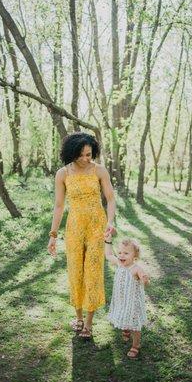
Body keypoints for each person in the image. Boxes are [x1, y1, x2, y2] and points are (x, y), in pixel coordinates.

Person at [48, 132, 116, 339]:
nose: (87, 158)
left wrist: (110, 222)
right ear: (72, 153)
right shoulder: (63, 174)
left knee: (93, 272)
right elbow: (59, 206)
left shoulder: (99, 170)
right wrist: (53, 235)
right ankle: (77, 317)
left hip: (97, 226)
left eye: (90, 154)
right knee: (76, 270)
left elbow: (111, 199)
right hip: (75, 227)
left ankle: (88, 323)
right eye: (83, 155)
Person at [104, 232, 150, 359]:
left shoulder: (136, 269)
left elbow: (144, 280)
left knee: (135, 324)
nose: (121, 255)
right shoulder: (119, 263)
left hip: (133, 303)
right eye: (120, 253)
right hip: (121, 300)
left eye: (126, 253)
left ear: (134, 256)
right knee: (123, 314)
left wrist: (144, 279)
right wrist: (108, 241)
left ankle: (135, 345)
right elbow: (108, 255)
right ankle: (126, 328)